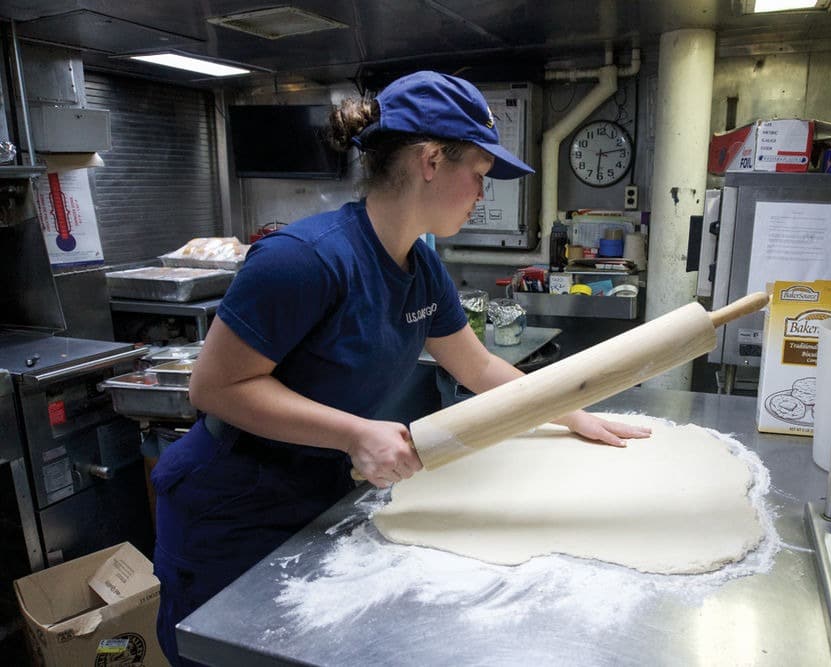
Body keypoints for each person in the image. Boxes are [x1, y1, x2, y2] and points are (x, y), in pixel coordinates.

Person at [151, 70, 651, 665]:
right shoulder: (303, 260)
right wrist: (355, 433)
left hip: (321, 493)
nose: (481, 195)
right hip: (233, 506)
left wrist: (570, 414)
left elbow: (480, 365)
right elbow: (213, 387)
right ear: (432, 160)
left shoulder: (420, 266)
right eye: (480, 176)